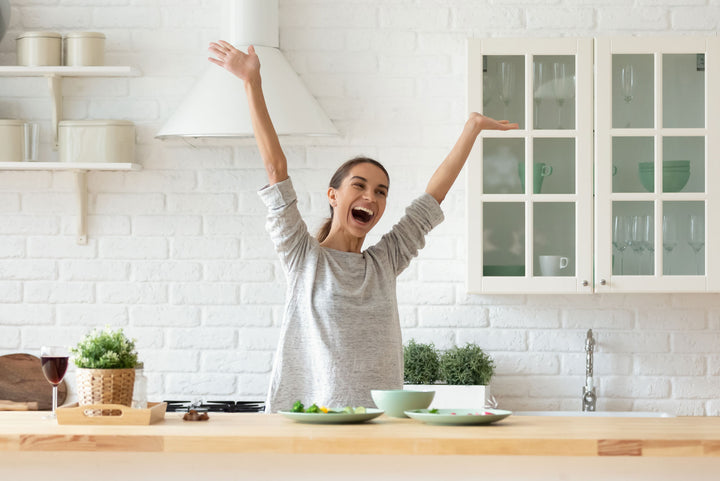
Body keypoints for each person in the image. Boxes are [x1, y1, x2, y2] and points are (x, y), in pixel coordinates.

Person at [208, 40, 518, 412]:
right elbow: (276, 170)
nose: (371, 197)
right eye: (359, 186)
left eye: (381, 191)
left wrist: (472, 129)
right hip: (311, 423)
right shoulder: (303, 257)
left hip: (381, 425)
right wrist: (251, 82)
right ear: (333, 196)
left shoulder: (384, 262)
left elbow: (431, 199)